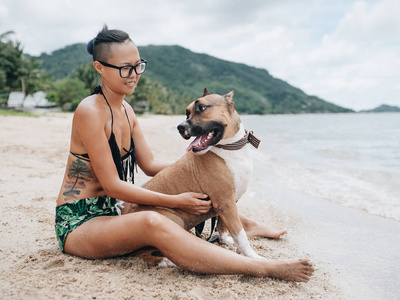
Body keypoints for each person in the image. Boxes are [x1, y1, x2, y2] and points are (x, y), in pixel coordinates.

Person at [55, 25, 314, 282]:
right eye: (125, 68)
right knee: (152, 222)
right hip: (81, 222)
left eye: (138, 65)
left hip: (114, 211)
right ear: (100, 67)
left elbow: (151, 164)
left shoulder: (126, 110)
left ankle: (246, 224)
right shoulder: (89, 111)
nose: (134, 74)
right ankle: (260, 267)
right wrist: (178, 201)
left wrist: (207, 172)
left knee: (214, 187)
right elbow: (112, 185)